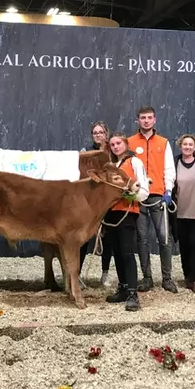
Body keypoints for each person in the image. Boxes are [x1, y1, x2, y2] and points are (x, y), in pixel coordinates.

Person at [127, 106, 177, 293]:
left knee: (164, 238)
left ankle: (167, 278)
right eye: (142, 118)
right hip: (139, 197)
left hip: (158, 196)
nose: (146, 121)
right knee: (142, 238)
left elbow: (169, 169)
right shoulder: (130, 142)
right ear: (138, 121)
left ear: (154, 120)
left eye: (149, 117)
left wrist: (169, 190)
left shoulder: (163, 143)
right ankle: (147, 278)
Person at [103, 133, 149, 311]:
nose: (115, 147)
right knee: (117, 252)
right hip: (110, 214)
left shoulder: (134, 162)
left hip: (127, 212)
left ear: (125, 144)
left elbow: (144, 189)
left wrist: (131, 195)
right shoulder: (111, 166)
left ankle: (132, 293)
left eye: (118, 143)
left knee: (127, 252)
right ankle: (123, 288)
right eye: (112, 144)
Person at [171, 134, 195, 293]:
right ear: (180, 146)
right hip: (178, 213)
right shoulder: (174, 163)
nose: (187, 147)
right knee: (184, 246)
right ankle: (187, 276)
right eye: (184, 144)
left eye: (190, 144)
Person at [80, 121, 113, 287]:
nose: (98, 135)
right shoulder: (86, 152)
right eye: (95, 132)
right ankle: (76, 274)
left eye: (101, 132)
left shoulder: (113, 150)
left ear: (106, 134)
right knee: (84, 237)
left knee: (107, 238)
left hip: (108, 199)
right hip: (91, 199)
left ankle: (105, 274)